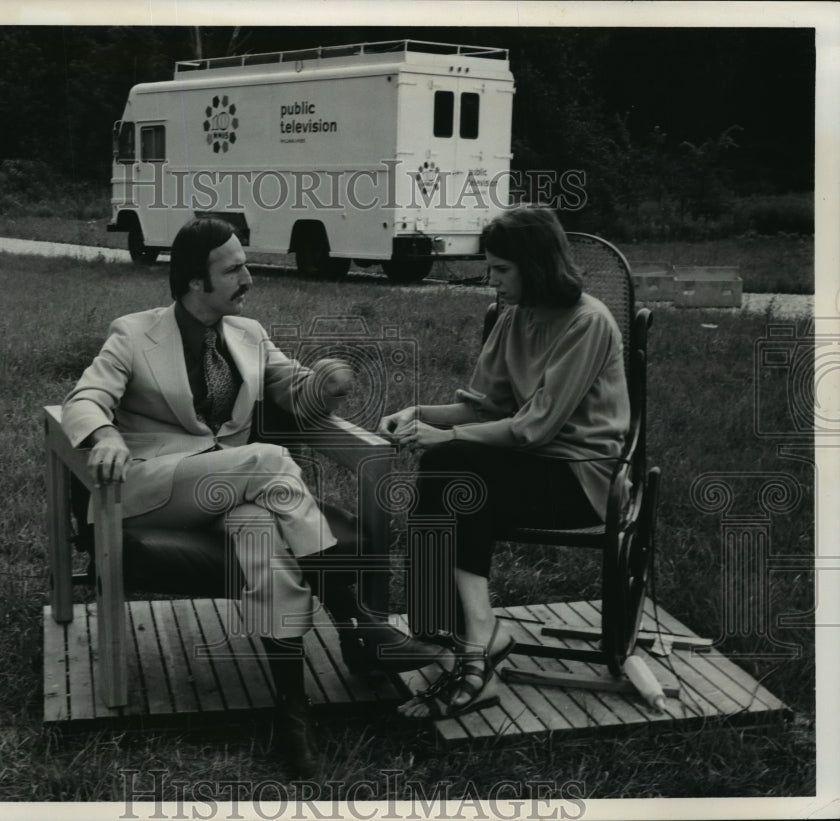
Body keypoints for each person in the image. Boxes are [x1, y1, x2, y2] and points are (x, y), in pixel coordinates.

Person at [62, 216, 437, 776]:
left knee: (265, 545)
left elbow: (293, 387)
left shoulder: (249, 334)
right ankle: (359, 621)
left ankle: (292, 712)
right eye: (233, 268)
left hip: (232, 489)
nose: (248, 277)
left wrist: (324, 382)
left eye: (244, 264)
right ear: (195, 282)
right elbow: (85, 397)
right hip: (152, 488)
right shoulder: (133, 333)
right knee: (269, 459)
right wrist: (105, 434)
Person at [379, 207, 630, 719]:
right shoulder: (514, 316)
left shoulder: (588, 322)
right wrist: (417, 413)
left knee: (452, 462)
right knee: (450, 470)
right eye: (491, 268)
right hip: (526, 468)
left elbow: (536, 426)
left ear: (536, 266)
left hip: (584, 479)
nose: (491, 279)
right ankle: (465, 635)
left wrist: (444, 436)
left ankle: (474, 646)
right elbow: (484, 406)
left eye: (501, 269)